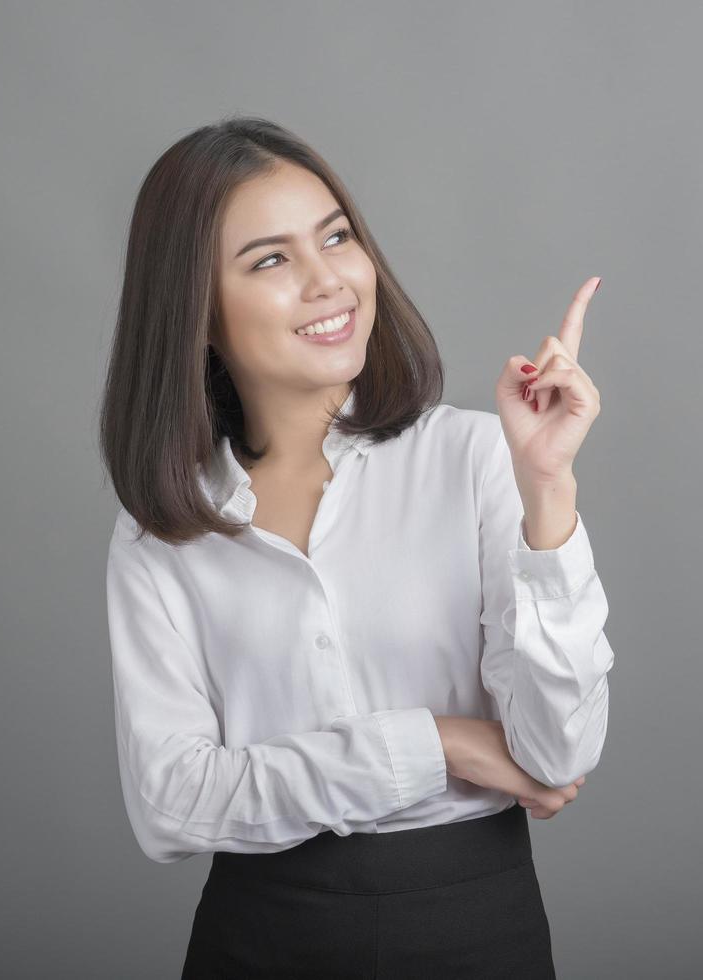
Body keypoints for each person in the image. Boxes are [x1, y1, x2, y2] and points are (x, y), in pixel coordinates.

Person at [98, 115, 615, 979]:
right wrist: (437, 744)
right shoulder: (166, 523)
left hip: (474, 929)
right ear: (197, 311)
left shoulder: (476, 457)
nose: (328, 280)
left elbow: (558, 757)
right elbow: (170, 807)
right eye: (270, 260)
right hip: (255, 939)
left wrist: (548, 492)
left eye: (336, 237)